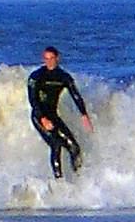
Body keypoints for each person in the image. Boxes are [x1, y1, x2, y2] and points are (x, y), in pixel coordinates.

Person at [27, 46, 94, 179]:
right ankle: (59, 181)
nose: (49, 62)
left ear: (57, 58)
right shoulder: (36, 76)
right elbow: (33, 100)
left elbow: (76, 96)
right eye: (46, 59)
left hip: (53, 116)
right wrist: (43, 119)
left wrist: (84, 115)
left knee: (74, 148)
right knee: (56, 144)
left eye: (52, 58)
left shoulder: (64, 77)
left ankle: (78, 179)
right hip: (39, 116)